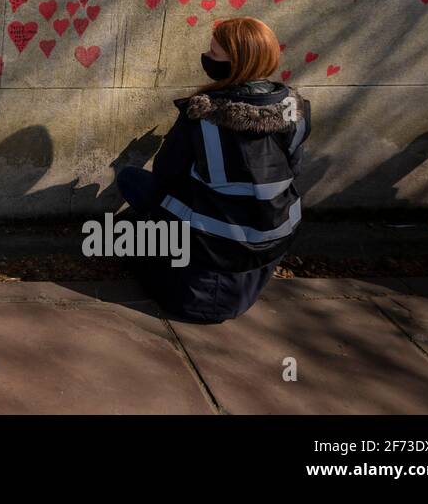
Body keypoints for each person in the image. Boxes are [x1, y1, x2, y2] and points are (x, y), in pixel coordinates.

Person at [115, 16, 311, 323]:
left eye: (215, 53)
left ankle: (143, 241)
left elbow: (167, 174)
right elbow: (294, 169)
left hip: (211, 248)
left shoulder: (203, 114)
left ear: (239, 63)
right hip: (271, 236)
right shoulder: (295, 110)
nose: (207, 57)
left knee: (131, 181)